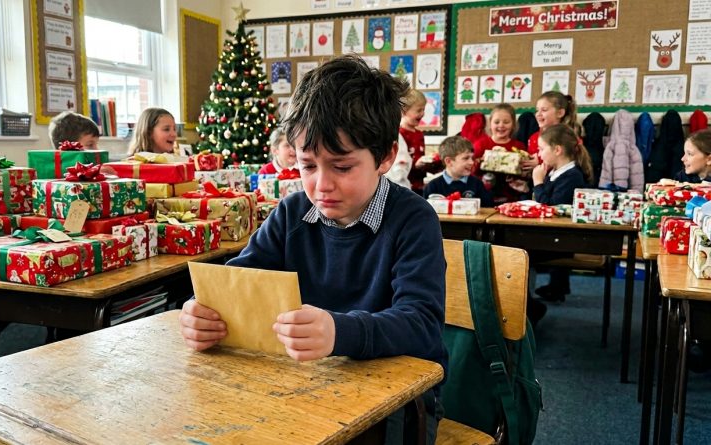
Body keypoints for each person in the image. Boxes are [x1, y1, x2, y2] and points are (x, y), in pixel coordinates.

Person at [179, 54, 446, 444]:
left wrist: (339, 331)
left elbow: (421, 324)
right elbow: (238, 281)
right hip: (307, 386)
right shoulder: (292, 212)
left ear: (386, 157)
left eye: (342, 167)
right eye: (307, 165)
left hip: (399, 405)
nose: (322, 185)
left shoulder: (413, 219)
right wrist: (201, 313)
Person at [529, 124, 593, 320]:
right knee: (512, 248)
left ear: (557, 150)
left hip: (562, 240)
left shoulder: (572, 176)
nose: (538, 154)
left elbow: (551, 209)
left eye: (541, 149)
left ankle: (529, 308)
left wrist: (538, 183)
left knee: (517, 252)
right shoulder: (556, 172)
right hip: (551, 237)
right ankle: (526, 303)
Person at [472, 103, 529, 204]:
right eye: (497, 122)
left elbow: (525, 174)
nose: (501, 125)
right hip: (484, 197)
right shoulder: (480, 144)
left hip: (511, 198)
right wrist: (481, 161)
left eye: (506, 122)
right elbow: (471, 170)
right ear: (490, 124)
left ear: (513, 125)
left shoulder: (519, 147)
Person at [423, 135, 493, 207]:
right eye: (466, 158)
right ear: (449, 161)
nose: (471, 162)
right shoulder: (433, 187)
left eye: (472, 158)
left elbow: (487, 210)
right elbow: (425, 213)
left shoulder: (477, 185)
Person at [394, 89, 442, 194]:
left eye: (424, 110)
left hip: (420, 186)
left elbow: (421, 159)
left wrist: (432, 163)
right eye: (419, 110)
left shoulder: (419, 134)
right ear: (403, 111)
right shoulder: (398, 134)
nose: (423, 114)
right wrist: (415, 164)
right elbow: (397, 165)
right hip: (404, 185)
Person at [527, 91, 578, 174]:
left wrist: (539, 164)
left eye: (544, 110)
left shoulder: (568, 138)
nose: (538, 114)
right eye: (537, 110)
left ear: (560, 113)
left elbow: (567, 166)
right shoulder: (533, 138)